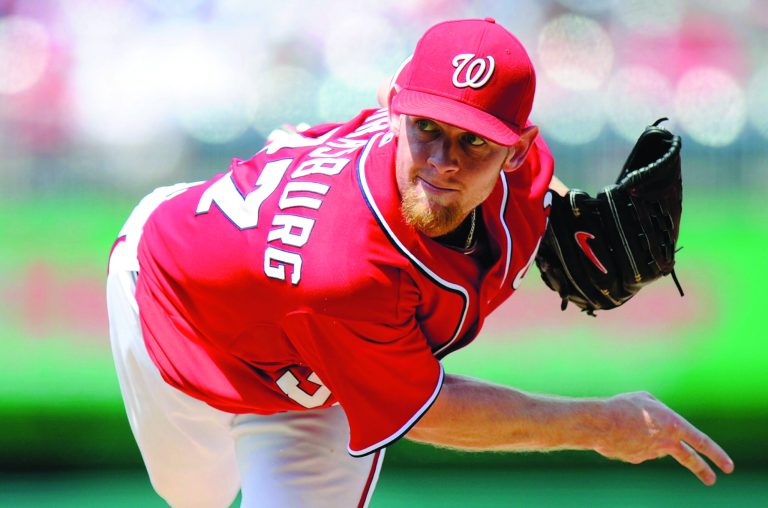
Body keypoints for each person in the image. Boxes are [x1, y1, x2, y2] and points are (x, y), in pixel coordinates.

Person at [106, 18, 733, 507]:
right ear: (394, 111)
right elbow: (429, 410)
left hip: (323, 378)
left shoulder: (521, 180)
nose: (443, 161)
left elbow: (531, 185)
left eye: (474, 139)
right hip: (174, 315)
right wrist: (599, 424)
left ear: (518, 151)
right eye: (428, 127)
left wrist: (568, 209)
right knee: (197, 496)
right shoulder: (347, 269)